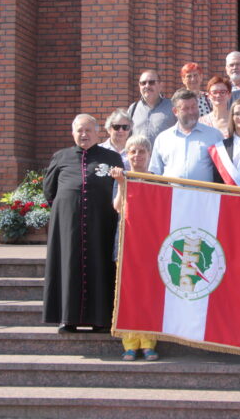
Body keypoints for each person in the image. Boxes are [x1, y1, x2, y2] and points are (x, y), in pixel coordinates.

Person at [43, 114, 124, 334]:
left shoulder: (111, 157)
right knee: (67, 266)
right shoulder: (61, 157)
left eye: (88, 130)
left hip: (101, 224)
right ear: (73, 133)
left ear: (97, 132)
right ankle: (67, 318)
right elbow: (49, 191)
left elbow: (121, 188)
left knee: (100, 266)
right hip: (68, 225)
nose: (84, 134)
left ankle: (101, 319)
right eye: (79, 130)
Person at [109, 134, 160, 362]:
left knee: (148, 294)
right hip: (126, 243)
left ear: (149, 154)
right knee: (128, 294)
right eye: (133, 151)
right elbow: (118, 207)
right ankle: (129, 344)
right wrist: (121, 184)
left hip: (150, 244)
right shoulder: (122, 178)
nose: (137, 155)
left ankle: (148, 343)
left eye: (142, 151)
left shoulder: (157, 180)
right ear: (127, 155)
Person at [149, 88, 222, 181]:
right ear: (175, 111)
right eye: (186, 108)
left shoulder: (214, 135)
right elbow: (155, 173)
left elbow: (222, 171)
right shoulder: (163, 139)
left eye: (193, 107)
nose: (191, 112)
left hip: (203, 190)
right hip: (172, 190)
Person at [127, 70, 175, 145]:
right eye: (143, 83)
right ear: (139, 86)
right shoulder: (133, 109)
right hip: (138, 152)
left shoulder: (172, 107)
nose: (147, 86)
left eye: (151, 82)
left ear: (160, 85)